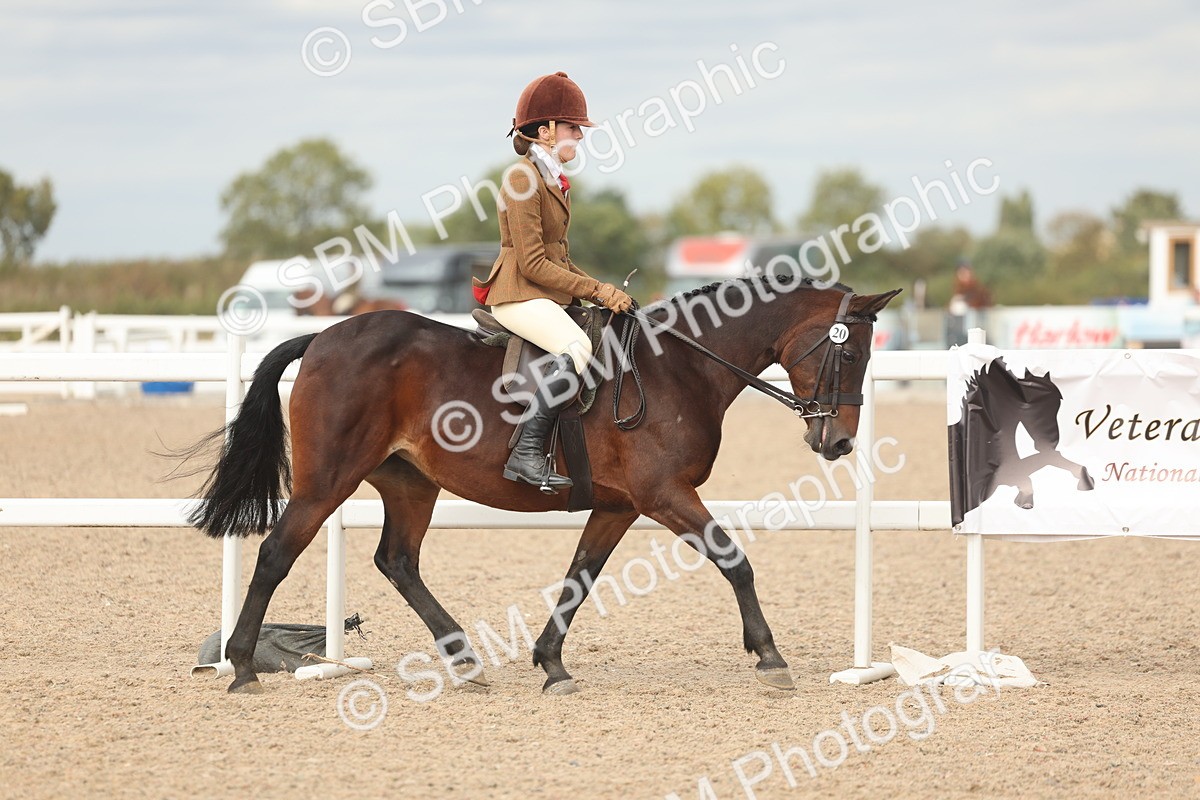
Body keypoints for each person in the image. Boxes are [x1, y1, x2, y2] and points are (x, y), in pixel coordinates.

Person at [472, 71, 633, 491]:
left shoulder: (550, 179)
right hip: (518, 293)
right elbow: (532, 264)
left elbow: (561, 257)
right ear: (544, 132)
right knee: (576, 345)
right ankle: (527, 453)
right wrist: (597, 291)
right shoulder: (522, 179)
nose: (579, 137)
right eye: (573, 129)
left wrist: (607, 292)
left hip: (539, 292)